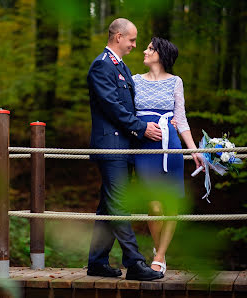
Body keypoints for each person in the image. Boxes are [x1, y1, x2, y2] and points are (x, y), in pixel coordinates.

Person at [86, 18, 164, 281]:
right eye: (131, 40)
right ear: (118, 37)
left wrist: (165, 119)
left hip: (123, 146)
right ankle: (134, 262)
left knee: (108, 204)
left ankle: (97, 262)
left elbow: (132, 105)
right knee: (118, 203)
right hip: (110, 145)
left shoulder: (122, 68)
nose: (134, 45)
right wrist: (141, 128)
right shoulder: (102, 66)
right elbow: (113, 107)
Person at [132, 37, 203, 274]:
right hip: (144, 146)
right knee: (154, 206)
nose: (144, 50)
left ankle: (160, 256)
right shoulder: (134, 81)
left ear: (160, 55)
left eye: (150, 48)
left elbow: (180, 119)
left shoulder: (176, 82)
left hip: (170, 145)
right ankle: (158, 249)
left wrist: (193, 149)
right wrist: (139, 128)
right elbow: (127, 115)